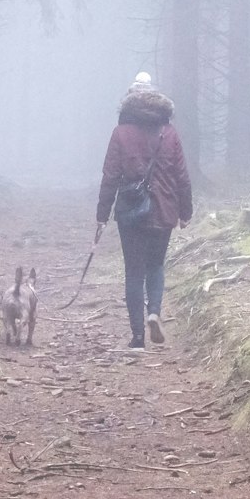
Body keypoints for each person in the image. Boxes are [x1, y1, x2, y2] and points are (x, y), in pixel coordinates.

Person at [95, 73, 193, 350]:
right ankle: (154, 313)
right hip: (164, 210)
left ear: (128, 102)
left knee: (134, 272)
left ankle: (137, 338)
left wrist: (102, 215)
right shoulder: (169, 132)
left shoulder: (120, 133)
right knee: (156, 265)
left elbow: (110, 176)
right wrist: (185, 212)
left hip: (130, 212)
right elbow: (182, 176)